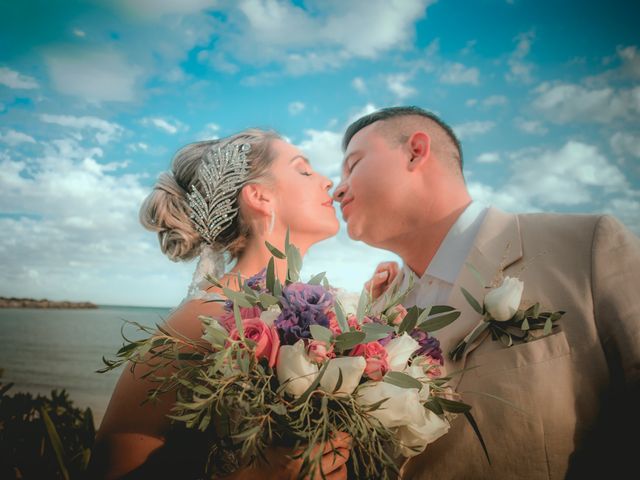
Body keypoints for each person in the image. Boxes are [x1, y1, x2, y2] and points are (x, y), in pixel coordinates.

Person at [333, 106, 640, 479]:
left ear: (415, 151)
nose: (338, 189)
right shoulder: (375, 319)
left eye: (353, 164)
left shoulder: (585, 247)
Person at [89, 128, 352, 479]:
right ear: (259, 196)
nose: (326, 181)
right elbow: (111, 462)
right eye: (304, 170)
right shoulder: (206, 316)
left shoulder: (324, 310)